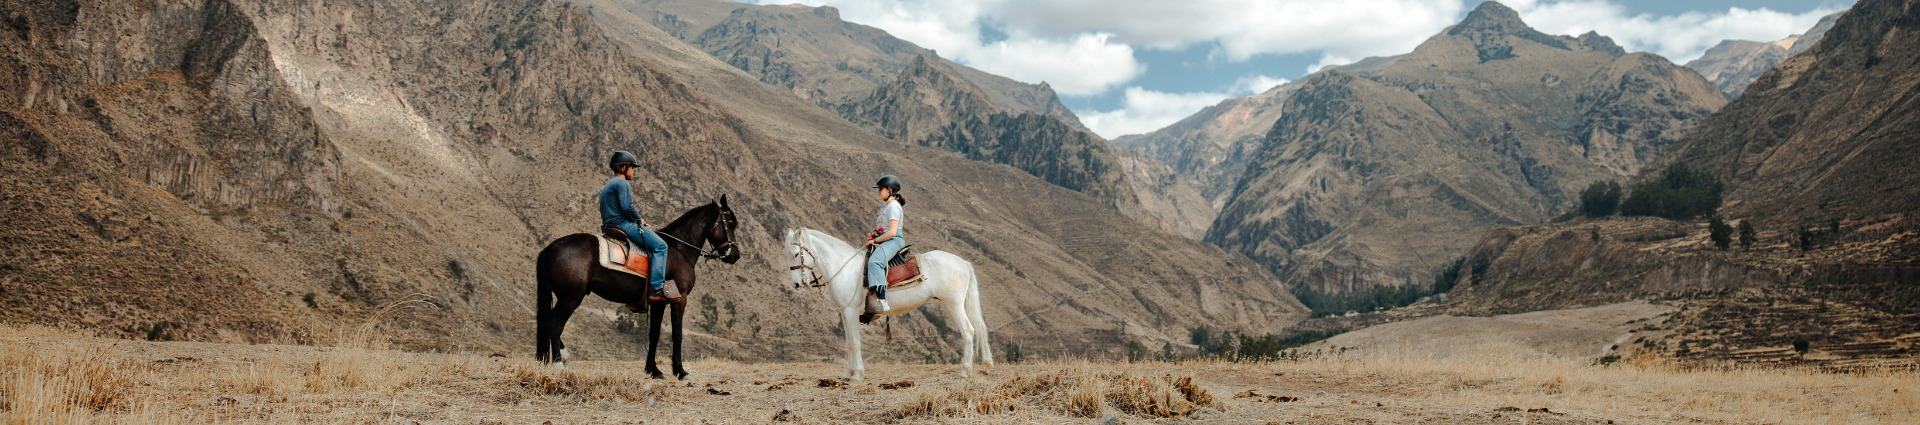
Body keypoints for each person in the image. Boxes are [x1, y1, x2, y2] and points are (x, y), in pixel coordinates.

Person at [600, 151, 672, 301]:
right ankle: (656, 288)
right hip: (622, 224)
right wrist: (639, 220)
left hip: (609, 224)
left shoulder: (609, 183)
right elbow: (627, 207)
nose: (633, 172)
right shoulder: (622, 183)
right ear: (624, 167)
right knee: (661, 246)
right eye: (632, 168)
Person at [863, 175, 907, 313]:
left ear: (890, 190)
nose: (878, 191)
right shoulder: (888, 207)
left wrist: (874, 241)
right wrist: (875, 234)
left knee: (875, 262)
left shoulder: (893, 206)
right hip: (886, 239)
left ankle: (882, 300)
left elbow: (892, 232)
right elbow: (885, 229)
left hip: (894, 240)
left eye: (881, 189)